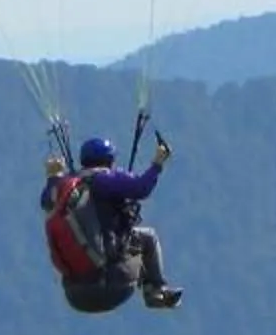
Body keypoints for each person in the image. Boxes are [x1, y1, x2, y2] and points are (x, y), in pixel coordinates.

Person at [39, 132, 181, 312]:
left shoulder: (67, 187)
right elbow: (141, 188)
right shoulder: (104, 179)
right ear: (109, 161)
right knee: (147, 238)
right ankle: (155, 291)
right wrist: (158, 163)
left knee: (128, 240)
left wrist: (54, 176)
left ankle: (152, 289)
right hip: (111, 286)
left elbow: (46, 202)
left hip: (75, 295)